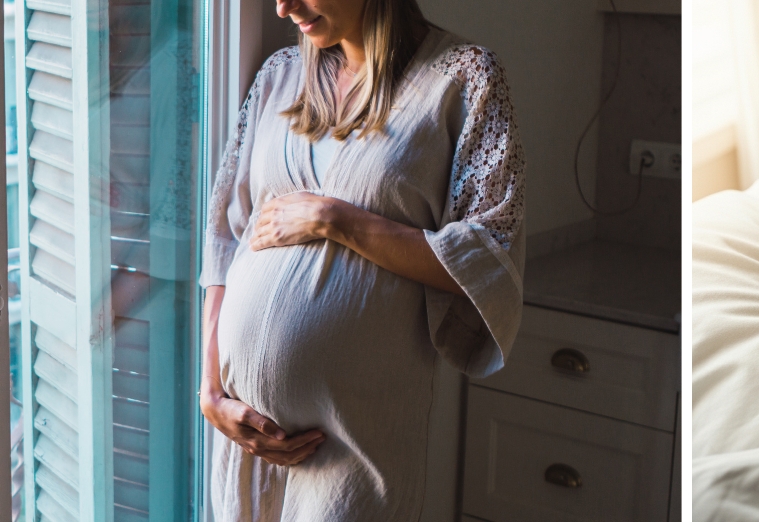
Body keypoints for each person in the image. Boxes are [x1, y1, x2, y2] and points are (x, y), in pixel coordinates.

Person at [199, 0, 526, 519]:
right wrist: (211, 389)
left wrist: (337, 220)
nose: (284, 8)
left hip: (357, 443)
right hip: (246, 440)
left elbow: (487, 261)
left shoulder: (463, 78)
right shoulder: (279, 76)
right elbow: (225, 239)